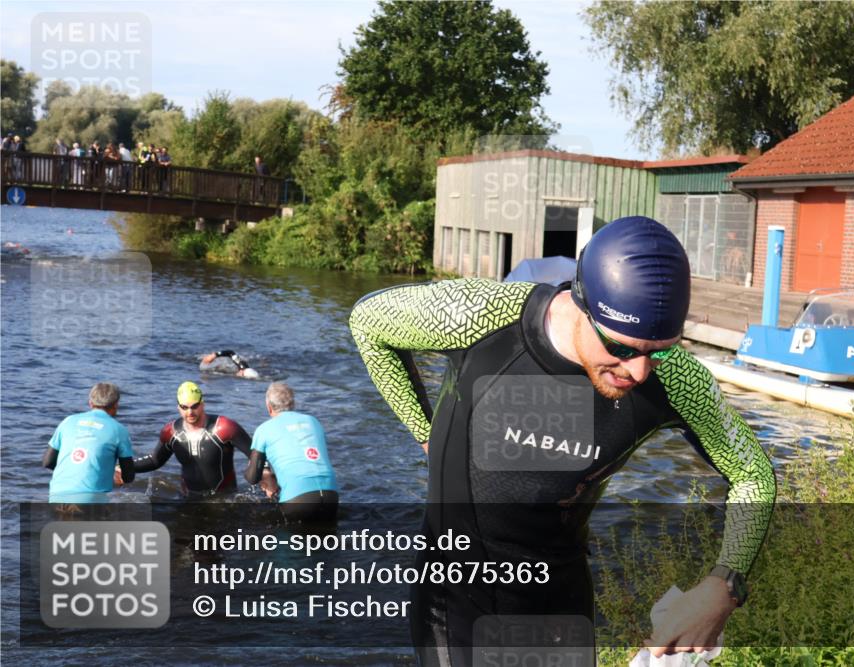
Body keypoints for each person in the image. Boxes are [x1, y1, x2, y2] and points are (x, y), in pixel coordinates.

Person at [349, 216, 776, 665]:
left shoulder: (676, 380)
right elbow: (368, 324)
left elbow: (753, 474)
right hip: (454, 599)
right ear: (582, 303)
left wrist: (722, 587)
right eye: (622, 348)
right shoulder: (481, 317)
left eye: (660, 349)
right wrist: (425, 434)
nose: (639, 371)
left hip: (559, 603)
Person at [132, 381, 262, 496]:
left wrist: (265, 473)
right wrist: (125, 466)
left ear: (202, 404)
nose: (190, 412)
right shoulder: (171, 432)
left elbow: (256, 453)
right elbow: (155, 460)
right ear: (178, 408)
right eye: (184, 407)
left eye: (194, 406)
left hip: (223, 499)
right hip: (188, 497)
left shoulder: (224, 428)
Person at [245, 382, 339, 523]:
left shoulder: (264, 429)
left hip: (298, 498)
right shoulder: (313, 421)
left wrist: (267, 475)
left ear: (268, 406)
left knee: (288, 542)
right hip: (331, 494)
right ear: (293, 404)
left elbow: (252, 477)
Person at [43, 383, 136, 503]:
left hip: (57, 496)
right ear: (116, 404)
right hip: (91, 500)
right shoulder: (119, 430)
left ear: (90, 403)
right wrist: (110, 475)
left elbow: (47, 462)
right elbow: (128, 476)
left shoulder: (67, 421)